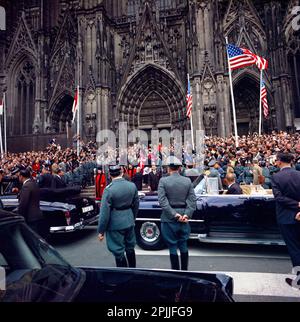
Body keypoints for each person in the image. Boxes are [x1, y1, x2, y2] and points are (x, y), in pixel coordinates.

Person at [158, 156, 196, 271]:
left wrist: (174, 215)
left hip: (169, 218)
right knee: (183, 244)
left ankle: (175, 272)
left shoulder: (163, 181)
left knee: (172, 246)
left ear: (169, 168)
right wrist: (187, 214)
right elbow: (192, 200)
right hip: (184, 216)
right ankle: (184, 271)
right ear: (180, 168)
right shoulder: (187, 180)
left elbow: (162, 201)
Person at [97, 164, 139, 268]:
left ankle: (123, 275)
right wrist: (132, 218)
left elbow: (104, 213)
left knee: (118, 250)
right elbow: (136, 205)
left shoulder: (109, 190)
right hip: (129, 220)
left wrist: (101, 230)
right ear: (122, 172)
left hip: (115, 223)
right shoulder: (132, 185)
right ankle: (133, 271)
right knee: (130, 247)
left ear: (110, 175)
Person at [271, 153, 300, 288]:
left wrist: (296, 205)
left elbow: (279, 198)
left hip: (286, 218)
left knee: (294, 248)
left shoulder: (276, 177)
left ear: (279, 162)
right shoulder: (299, 174)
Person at [18, 169, 46, 238]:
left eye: (19, 176)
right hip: (37, 215)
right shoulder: (33, 184)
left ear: (21, 176)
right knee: (36, 237)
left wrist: (19, 217)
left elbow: (23, 204)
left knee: (32, 238)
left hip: (30, 217)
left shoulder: (26, 186)